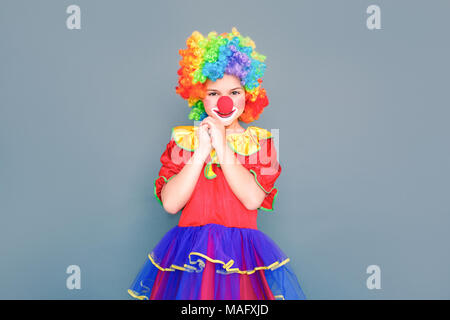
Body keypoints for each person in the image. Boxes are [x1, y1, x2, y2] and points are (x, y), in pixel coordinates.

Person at [127, 27, 306, 300]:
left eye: (234, 92)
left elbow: (251, 199)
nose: (225, 101)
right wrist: (201, 150)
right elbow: (171, 204)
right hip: (190, 257)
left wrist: (221, 143)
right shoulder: (182, 142)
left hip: (240, 258)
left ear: (248, 95)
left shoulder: (263, 143)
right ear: (200, 96)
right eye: (213, 93)